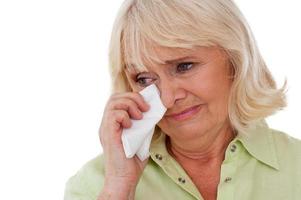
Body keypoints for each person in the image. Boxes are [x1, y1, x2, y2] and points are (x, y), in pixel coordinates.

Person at [64, 0, 301, 199]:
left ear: (234, 59)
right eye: (144, 79)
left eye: (184, 66)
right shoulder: (96, 185)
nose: (167, 98)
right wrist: (120, 187)